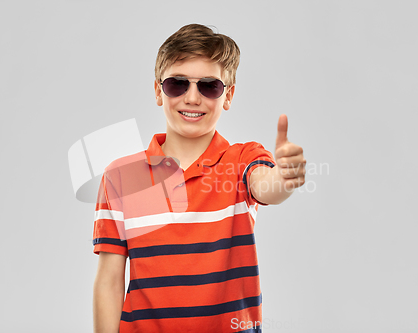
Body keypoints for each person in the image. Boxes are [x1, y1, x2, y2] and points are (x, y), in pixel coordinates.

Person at [92, 23, 306, 333]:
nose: (192, 98)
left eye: (209, 86)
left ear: (228, 95)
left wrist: (285, 178)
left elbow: (266, 186)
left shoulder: (242, 159)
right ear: (157, 90)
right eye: (177, 84)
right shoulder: (121, 177)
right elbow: (109, 280)